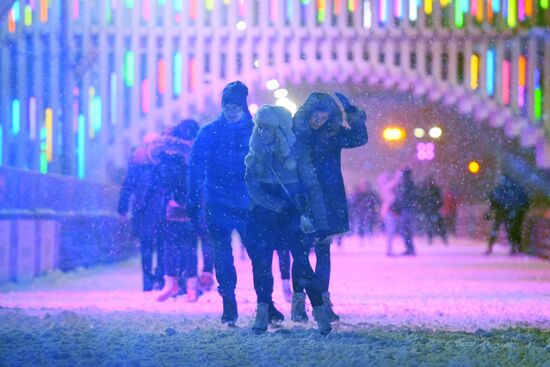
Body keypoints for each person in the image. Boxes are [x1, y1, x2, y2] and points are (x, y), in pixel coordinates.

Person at [187, 81, 284, 326]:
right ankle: (230, 304)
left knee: (259, 256)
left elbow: (269, 168)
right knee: (226, 256)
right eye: (227, 106)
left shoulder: (245, 133)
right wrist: (192, 199)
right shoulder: (218, 132)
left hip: (246, 205)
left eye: (234, 106)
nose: (230, 111)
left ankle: (264, 303)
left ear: (242, 106)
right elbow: (196, 169)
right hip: (223, 203)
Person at [244, 105, 332, 335]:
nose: (262, 133)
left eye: (267, 128)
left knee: (302, 264)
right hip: (265, 215)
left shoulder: (297, 152)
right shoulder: (255, 153)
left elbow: (312, 186)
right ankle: (262, 310)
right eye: (259, 128)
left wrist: (320, 220)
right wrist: (274, 204)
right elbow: (251, 185)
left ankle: (320, 313)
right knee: (262, 264)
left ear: (280, 129)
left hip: (291, 215)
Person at [291, 92, 368, 322]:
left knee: (323, 252)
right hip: (303, 197)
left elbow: (359, 138)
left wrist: (353, 116)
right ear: (308, 113)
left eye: (323, 116)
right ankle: (299, 303)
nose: (319, 120)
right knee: (302, 252)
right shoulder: (297, 134)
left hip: (330, 198)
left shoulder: (333, 134)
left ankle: (323, 302)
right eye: (316, 115)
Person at [147, 123, 200, 302]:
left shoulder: (182, 161)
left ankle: (185, 286)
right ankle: (175, 285)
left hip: (184, 207)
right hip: (172, 207)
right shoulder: (170, 160)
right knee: (175, 246)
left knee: (183, 246)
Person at [117, 132, 164, 292]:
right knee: (160, 245)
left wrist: (123, 207)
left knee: (148, 246)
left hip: (143, 209)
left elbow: (128, 185)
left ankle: (149, 281)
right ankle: (158, 278)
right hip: (157, 210)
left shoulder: (137, 160)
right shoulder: (162, 158)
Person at [485, 174, 530, 255]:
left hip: (501, 212)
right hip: (510, 212)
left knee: (497, 229)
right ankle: (514, 247)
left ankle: (490, 247)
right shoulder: (515, 189)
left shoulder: (500, 189)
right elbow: (523, 200)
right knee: (511, 230)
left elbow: (493, 200)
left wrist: (490, 211)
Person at [392, 168, 417, 256]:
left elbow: (402, 198)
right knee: (406, 230)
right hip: (407, 209)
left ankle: (409, 248)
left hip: (406, 210)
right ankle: (409, 248)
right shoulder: (409, 184)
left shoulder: (406, 185)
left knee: (405, 230)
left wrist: (398, 208)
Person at [376, 170, 402, 256]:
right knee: (390, 230)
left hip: (388, 211)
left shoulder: (385, 190)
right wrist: (398, 174)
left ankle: (389, 249)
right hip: (388, 211)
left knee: (390, 230)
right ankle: (389, 249)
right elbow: (395, 182)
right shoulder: (386, 188)